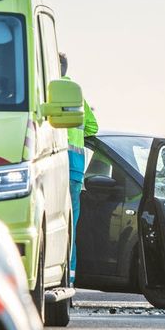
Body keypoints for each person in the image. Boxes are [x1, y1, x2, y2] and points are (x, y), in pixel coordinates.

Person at [63, 53, 97, 286]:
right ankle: (70, 281)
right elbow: (93, 127)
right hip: (75, 172)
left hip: (50, 169)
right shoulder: (77, 94)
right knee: (70, 228)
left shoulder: (43, 91)